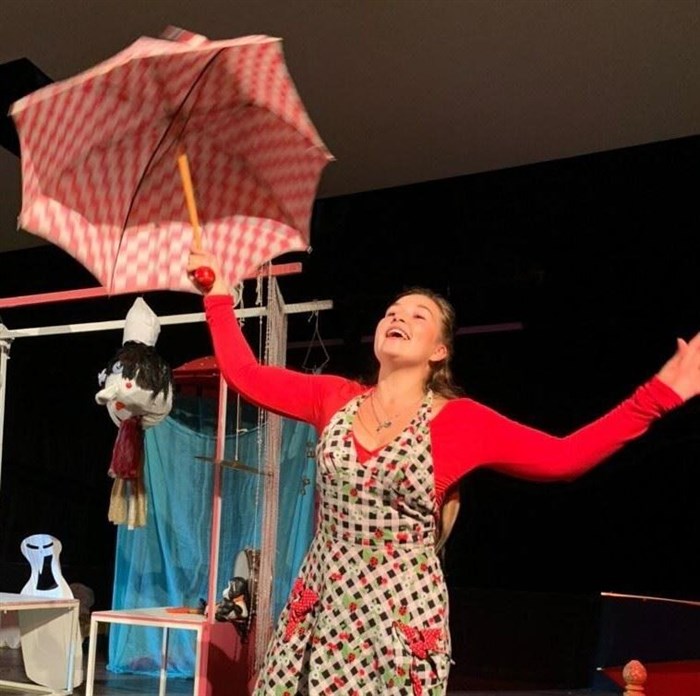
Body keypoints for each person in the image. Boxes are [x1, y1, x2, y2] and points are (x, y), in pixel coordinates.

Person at [188, 249, 700, 696]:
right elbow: (246, 374)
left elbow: (564, 457)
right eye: (392, 312)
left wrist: (658, 396)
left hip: (397, 617)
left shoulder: (458, 422)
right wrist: (219, 297)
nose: (399, 317)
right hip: (323, 605)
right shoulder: (335, 399)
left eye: (418, 315)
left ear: (439, 351)